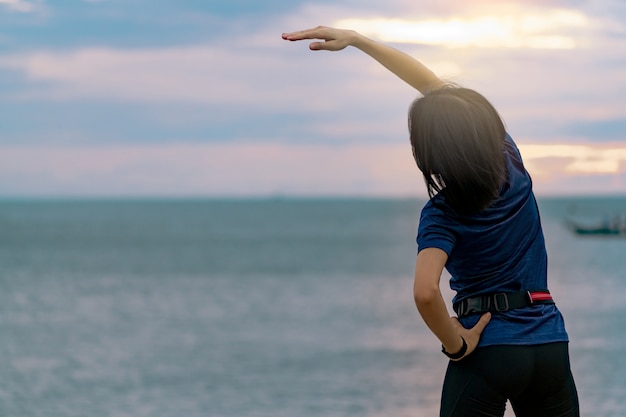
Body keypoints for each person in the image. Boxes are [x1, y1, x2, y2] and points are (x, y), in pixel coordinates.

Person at [282, 26, 579, 417]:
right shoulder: (512, 162)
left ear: (429, 153)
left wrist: (455, 343)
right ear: (484, 126)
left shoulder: (442, 213)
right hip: (549, 344)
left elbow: (425, 292)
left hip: (488, 348)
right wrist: (359, 40)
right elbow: (434, 88)